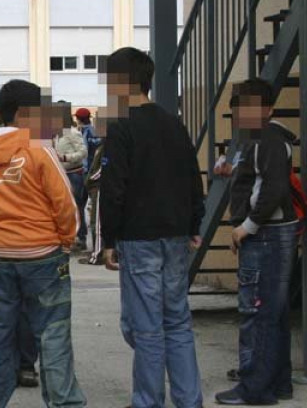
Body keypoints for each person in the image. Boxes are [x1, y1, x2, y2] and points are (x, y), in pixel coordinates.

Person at [0, 79, 86, 407]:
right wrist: (66, 241)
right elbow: (65, 203)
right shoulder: (39, 150)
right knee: (53, 336)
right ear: (22, 115)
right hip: (43, 256)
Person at [100, 47, 205, 408]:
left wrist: (108, 239)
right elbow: (193, 177)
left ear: (119, 83)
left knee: (144, 328)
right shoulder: (174, 124)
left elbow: (114, 189)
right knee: (176, 321)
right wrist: (194, 222)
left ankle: (147, 401)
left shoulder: (122, 127)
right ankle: (189, 401)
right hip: (176, 235)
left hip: (138, 237)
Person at [214, 79, 299, 406]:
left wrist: (246, 227)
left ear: (268, 109)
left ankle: (254, 388)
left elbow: (272, 189)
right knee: (273, 313)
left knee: (257, 312)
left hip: (267, 236)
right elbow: (263, 178)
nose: (242, 113)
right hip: (274, 234)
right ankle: (278, 382)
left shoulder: (266, 140)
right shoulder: (266, 138)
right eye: (239, 107)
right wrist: (233, 169)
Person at [54, 103, 88, 251]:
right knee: (64, 207)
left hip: (74, 173)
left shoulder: (73, 133)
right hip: (62, 173)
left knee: (77, 207)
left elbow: (83, 152)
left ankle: (80, 237)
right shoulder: (56, 133)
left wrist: (66, 157)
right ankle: (68, 236)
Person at [75, 108, 100, 248]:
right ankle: (94, 242)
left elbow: (84, 154)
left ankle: (81, 237)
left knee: (80, 205)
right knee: (92, 208)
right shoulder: (95, 131)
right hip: (94, 172)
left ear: (78, 119)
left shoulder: (83, 133)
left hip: (85, 173)